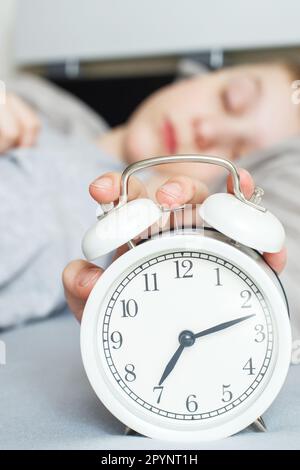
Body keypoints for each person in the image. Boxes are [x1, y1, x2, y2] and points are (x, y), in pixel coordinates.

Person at [0, 61, 299, 340]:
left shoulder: (121, 211)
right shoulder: (39, 100)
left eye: (236, 153)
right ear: (195, 75)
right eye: (231, 99)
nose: (207, 130)